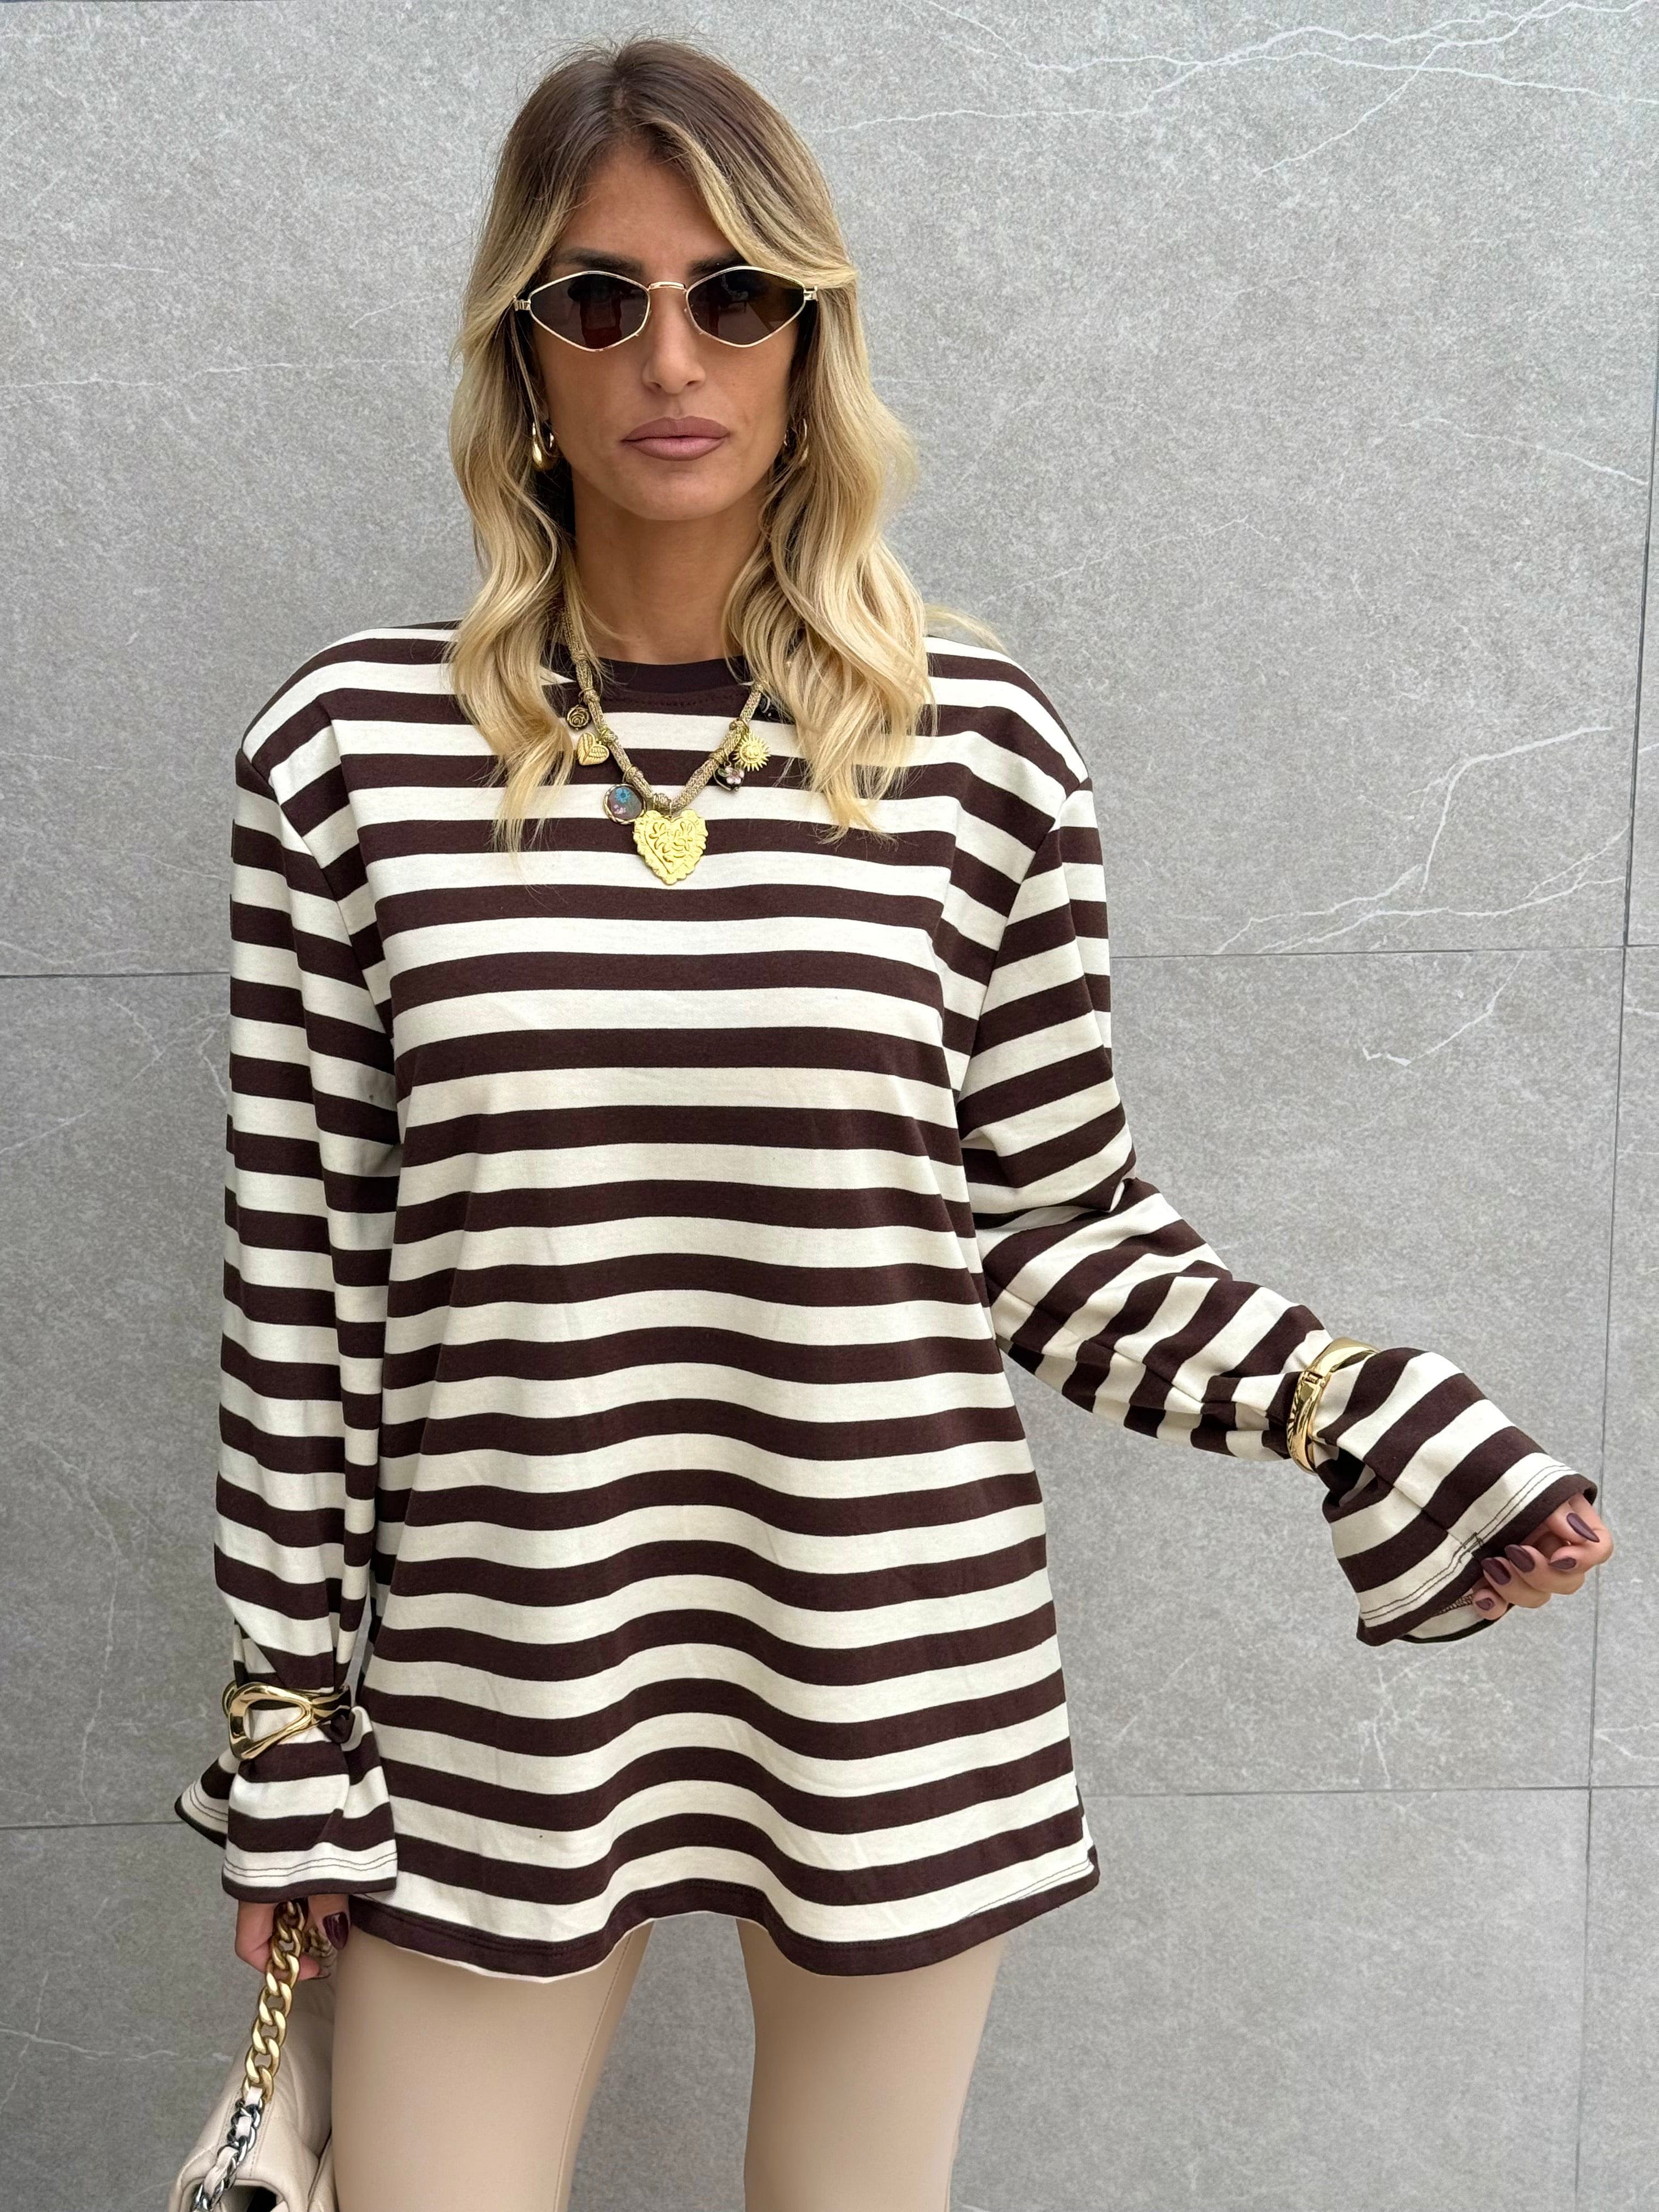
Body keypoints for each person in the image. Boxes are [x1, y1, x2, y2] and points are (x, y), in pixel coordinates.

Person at [173, 33, 1615, 2212]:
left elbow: (1055, 1233)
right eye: (601, 298)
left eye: (736, 295)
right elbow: (305, 1300)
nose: (673, 356)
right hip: (495, 1677)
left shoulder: (975, 745)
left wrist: (1366, 1411)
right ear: (523, 352)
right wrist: (290, 1726)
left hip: (894, 1663)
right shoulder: (350, 751)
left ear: (811, 337)